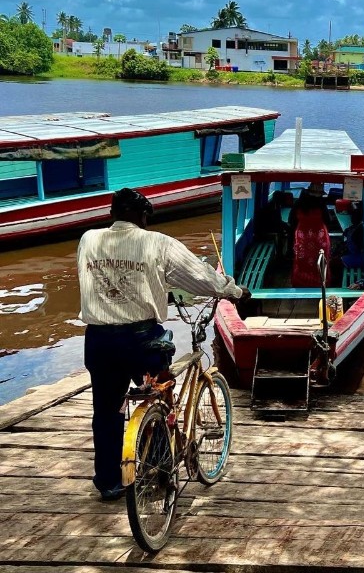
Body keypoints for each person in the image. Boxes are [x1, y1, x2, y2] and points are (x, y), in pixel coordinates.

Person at [77, 188, 250, 501]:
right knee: (160, 398)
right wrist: (234, 291)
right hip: (140, 339)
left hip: (98, 339)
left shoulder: (88, 239)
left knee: (106, 411)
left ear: (112, 213)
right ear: (143, 217)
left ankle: (108, 482)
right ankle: (159, 472)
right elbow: (200, 277)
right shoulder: (157, 242)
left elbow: (107, 279)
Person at [289, 181, 332, 287]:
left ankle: (301, 282)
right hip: (320, 238)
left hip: (302, 238)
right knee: (321, 259)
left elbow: (291, 221)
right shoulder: (321, 204)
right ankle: (321, 282)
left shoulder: (298, 204)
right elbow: (328, 221)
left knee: (302, 261)